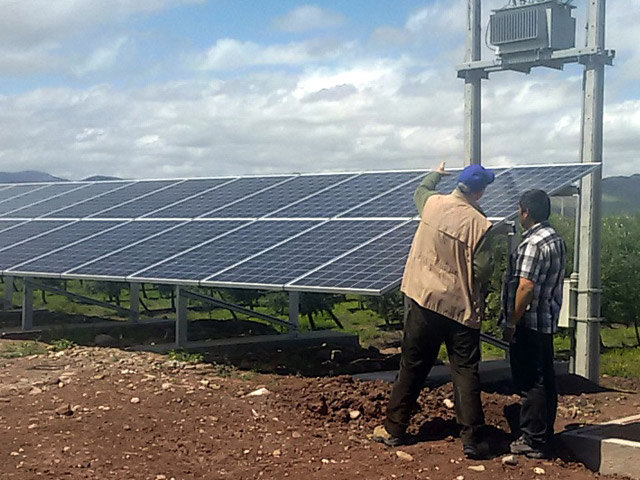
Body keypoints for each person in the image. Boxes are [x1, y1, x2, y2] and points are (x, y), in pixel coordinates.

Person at [372, 161, 496, 460]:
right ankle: (473, 441)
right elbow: (483, 270)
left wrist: (435, 174)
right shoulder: (481, 225)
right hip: (460, 309)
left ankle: (394, 429)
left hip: (423, 299)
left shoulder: (431, 204)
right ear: (479, 192)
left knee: (412, 365)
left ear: (460, 185)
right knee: (465, 372)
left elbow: (421, 189)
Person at [499, 189, 566, 459]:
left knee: (531, 382)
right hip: (547, 319)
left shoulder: (531, 245)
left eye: (519, 210)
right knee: (546, 378)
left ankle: (533, 439)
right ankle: (544, 432)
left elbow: (525, 286)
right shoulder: (555, 239)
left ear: (525, 212)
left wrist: (511, 322)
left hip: (529, 322)